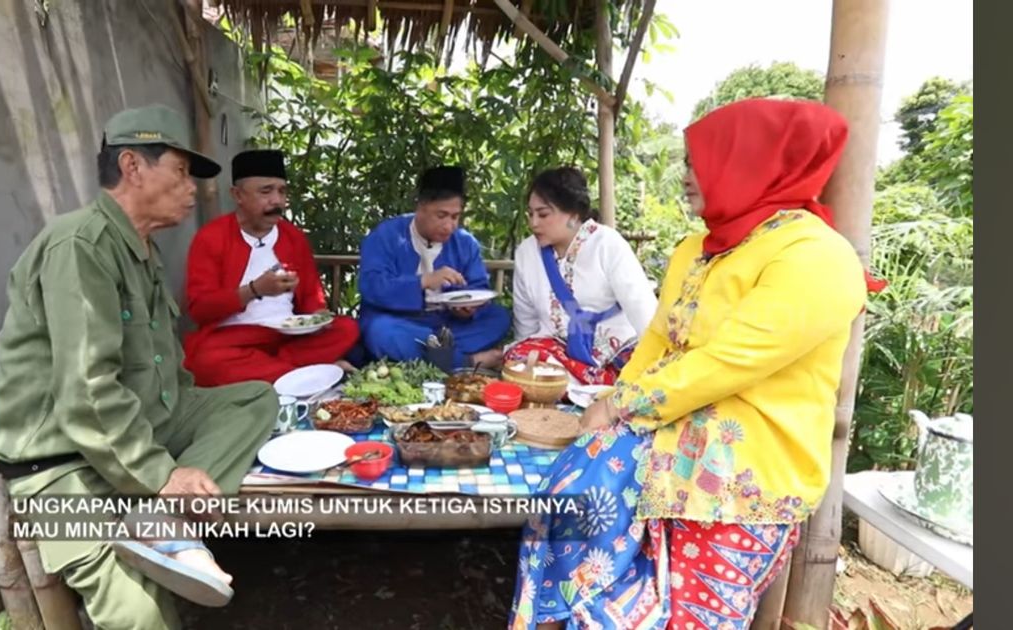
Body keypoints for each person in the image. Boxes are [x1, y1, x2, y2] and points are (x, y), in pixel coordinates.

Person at [509, 98, 877, 630]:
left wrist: (621, 405)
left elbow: (731, 360)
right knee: (569, 533)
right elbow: (657, 339)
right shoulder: (698, 248)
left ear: (746, 161)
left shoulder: (816, 256)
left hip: (740, 483)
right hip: (660, 449)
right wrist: (615, 402)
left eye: (696, 161)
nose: (684, 176)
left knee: (698, 619)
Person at [0, 105, 277, 629]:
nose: (193, 189)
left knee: (253, 397)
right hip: (64, 464)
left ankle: (163, 517)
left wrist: (169, 477)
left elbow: (165, 368)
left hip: (142, 430)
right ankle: (162, 509)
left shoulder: (142, 249)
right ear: (133, 165)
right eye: (183, 172)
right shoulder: (80, 245)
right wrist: (164, 474)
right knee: (143, 616)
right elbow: (88, 390)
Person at [182, 149, 360, 386]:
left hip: (288, 337)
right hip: (234, 339)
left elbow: (311, 298)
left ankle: (278, 372)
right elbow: (200, 310)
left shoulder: (293, 237)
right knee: (207, 360)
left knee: (346, 328)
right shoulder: (211, 237)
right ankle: (306, 374)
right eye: (266, 191)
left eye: (282, 191)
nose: (277, 201)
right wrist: (254, 290)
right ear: (237, 195)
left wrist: (318, 318)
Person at [507, 167, 659, 385]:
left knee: (638, 374)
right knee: (519, 358)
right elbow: (526, 326)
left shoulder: (608, 244)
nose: (534, 223)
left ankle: (600, 392)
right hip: (558, 357)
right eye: (530, 214)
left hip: (614, 353)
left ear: (574, 214)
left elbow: (643, 311)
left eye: (543, 214)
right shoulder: (526, 253)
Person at [358, 165, 511, 369]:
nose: (449, 225)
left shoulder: (465, 242)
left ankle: (434, 355)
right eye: (441, 216)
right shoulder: (386, 236)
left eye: (455, 217)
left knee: (498, 317)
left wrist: (467, 308)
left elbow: (478, 287)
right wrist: (423, 282)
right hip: (400, 323)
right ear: (420, 207)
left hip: (447, 325)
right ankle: (469, 361)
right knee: (381, 332)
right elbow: (372, 287)